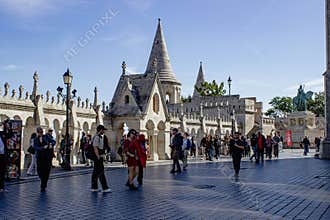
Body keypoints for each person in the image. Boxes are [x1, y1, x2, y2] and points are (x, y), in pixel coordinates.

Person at [91, 125, 111, 193]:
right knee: (101, 172)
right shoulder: (97, 137)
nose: (104, 131)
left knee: (96, 172)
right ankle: (105, 188)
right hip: (98, 157)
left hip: (98, 157)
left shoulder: (99, 137)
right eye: (103, 130)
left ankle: (94, 187)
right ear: (100, 130)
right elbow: (95, 147)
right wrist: (98, 156)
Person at [33, 127, 54, 192]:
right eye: (40, 132)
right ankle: (43, 181)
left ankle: (43, 185)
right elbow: (35, 147)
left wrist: (51, 144)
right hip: (40, 157)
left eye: (42, 132)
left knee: (47, 171)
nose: (41, 133)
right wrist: (42, 148)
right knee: (40, 171)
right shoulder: (36, 139)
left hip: (47, 157)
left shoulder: (46, 137)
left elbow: (53, 141)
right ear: (37, 133)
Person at [0, 122, 7, 192]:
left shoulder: (2, 134)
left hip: (2, 155)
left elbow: (8, 134)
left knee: (2, 172)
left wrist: (5, 125)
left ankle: (2, 187)